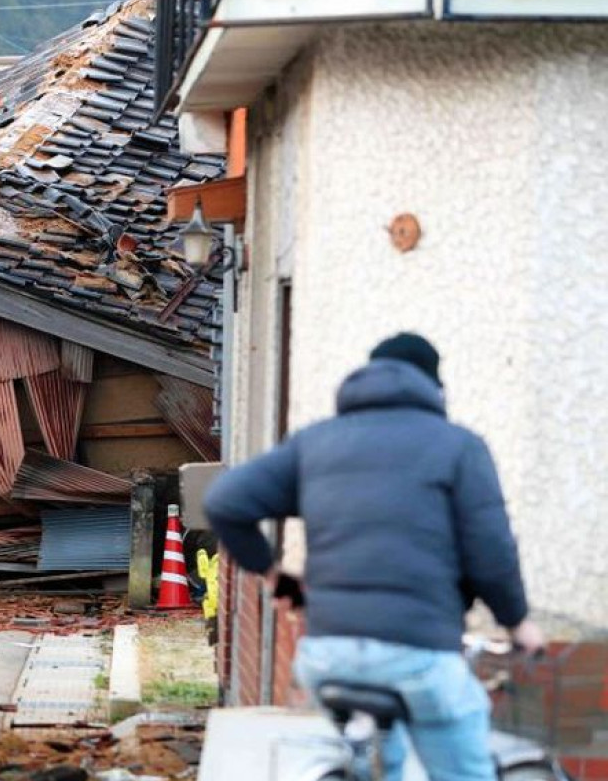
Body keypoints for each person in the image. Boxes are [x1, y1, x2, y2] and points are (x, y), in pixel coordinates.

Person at [204, 333, 543, 781]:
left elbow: (225, 502)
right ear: (434, 387)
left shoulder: (315, 443)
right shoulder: (459, 446)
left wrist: (274, 575)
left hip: (327, 658)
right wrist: (517, 622)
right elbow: (491, 553)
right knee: (464, 768)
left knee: (382, 760)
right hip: (420, 654)